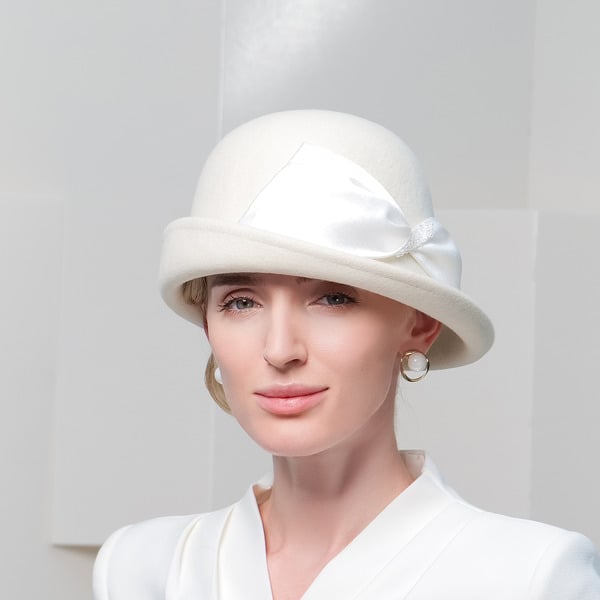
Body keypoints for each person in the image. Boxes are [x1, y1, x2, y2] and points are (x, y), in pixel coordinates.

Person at [93, 110, 600, 599]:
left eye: (333, 298)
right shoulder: (143, 569)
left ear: (421, 323)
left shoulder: (529, 578)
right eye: (241, 302)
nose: (280, 350)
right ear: (208, 325)